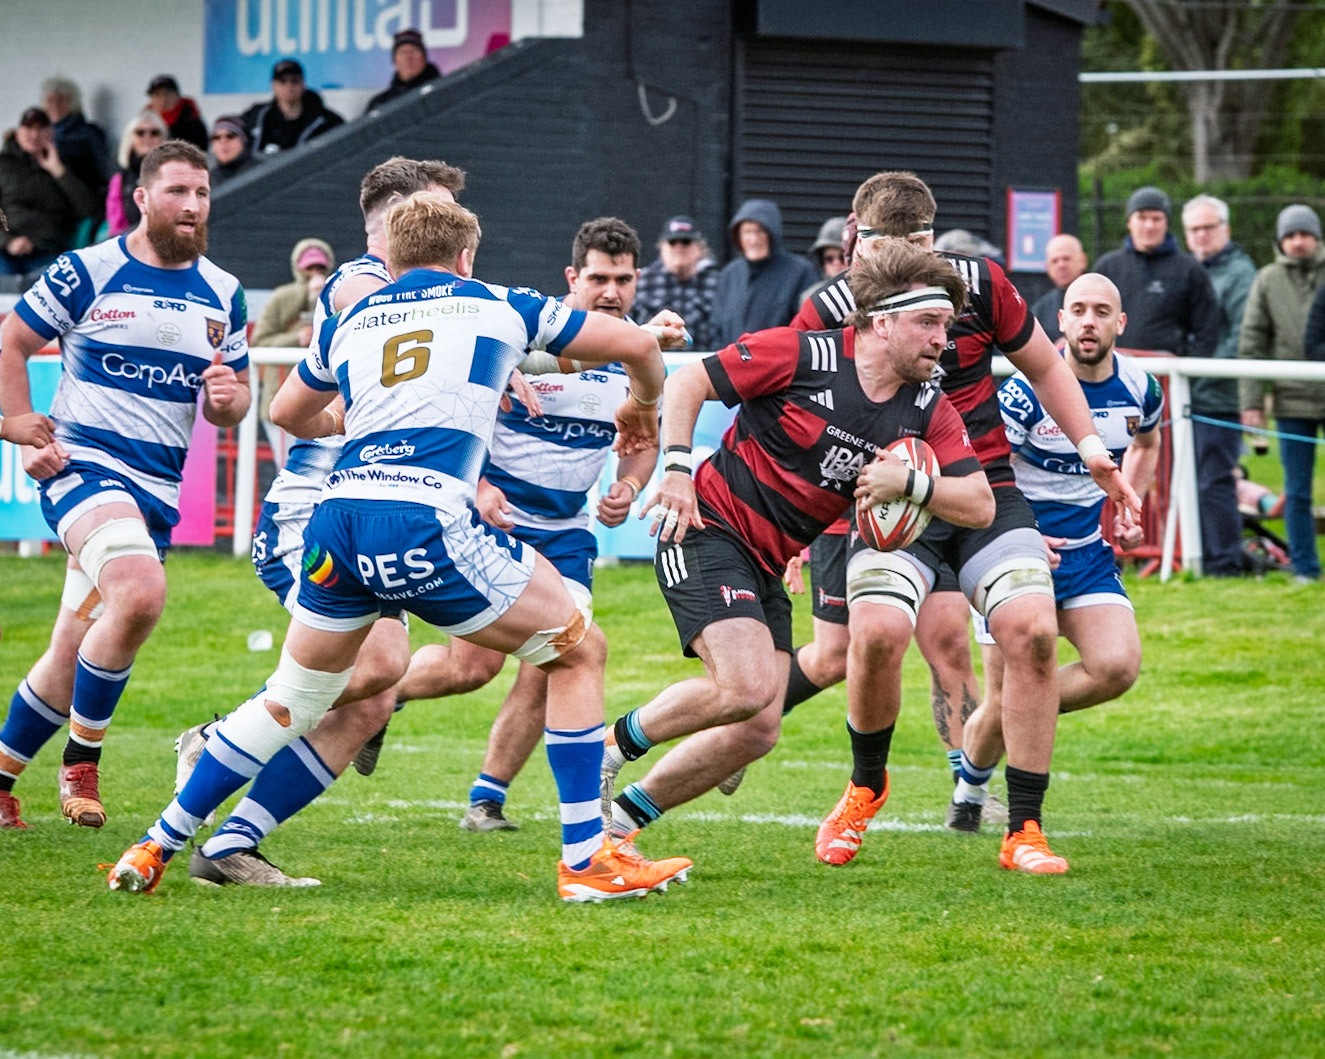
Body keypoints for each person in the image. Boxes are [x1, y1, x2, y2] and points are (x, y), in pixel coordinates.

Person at [112, 193, 688, 905]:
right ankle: (586, 859)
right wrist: (641, 405)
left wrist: (345, 419)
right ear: (465, 257)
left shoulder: (353, 316)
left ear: (392, 258)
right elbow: (637, 347)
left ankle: (157, 842)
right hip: (424, 517)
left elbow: (286, 411)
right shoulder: (497, 302)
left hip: (339, 519)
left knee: (295, 695)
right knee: (578, 650)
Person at [658, 171, 1141, 871]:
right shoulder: (830, 305)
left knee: (1030, 632)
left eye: (906, 245)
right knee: (870, 638)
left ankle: (1024, 826)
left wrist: (1093, 449)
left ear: (927, 242)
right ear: (858, 239)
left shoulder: (979, 284)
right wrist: (793, 531)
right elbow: (788, 414)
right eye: (875, 246)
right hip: (884, 498)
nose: (880, 258)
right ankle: (864, 786)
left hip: (978, 486)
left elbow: (1044, 365)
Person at [597, 239, 998, 859]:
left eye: (946, 325)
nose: (942, 339)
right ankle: (604, 749)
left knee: (757, 731)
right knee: (744, 688)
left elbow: (980, 504)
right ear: (881, 321)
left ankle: (619, 825)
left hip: (767, 560)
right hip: (708, 527)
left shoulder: (927, 407)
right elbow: (689, 383)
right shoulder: (803, 353)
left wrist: (910, 483)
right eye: (928, 322)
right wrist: (675, 470)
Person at [171, 158, 463, 886]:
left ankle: (230, 847)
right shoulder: (360, 282)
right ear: (396, 218)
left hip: (374, 515)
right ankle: (215, 739)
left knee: (374, 696)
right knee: (380, 668)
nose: (454, 230)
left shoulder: (436, 299)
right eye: (438, 212)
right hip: (309, 515)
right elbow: (378, 309)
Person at [395, 216, 684, 833]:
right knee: (469, 670)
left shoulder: (637, 356)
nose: (611, 292)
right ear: (572, 277)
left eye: (623, 280)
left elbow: (642, 441)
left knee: (558, 656)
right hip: (493, 523)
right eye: (599, 278)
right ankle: (384, 695)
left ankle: (487, 799)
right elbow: (452, 410)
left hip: (566, 533)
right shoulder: (524, 334)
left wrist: (629, 485)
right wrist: (478, 486)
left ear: (637, 281)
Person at [0, 141, 249, 831]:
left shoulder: (223, 291)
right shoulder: (87, 270)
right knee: (139, 595)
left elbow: (234, 399)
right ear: (140, 197)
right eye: (177, 191)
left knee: (72, 646)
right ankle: (81, 762)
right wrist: (19, 426)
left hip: (156, 491)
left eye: (201, 193)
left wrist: (228, 398)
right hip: (83, 468)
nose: (192, 205)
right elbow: (11, 341)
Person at [949, 272, 1163, 832]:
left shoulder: (1141, 388)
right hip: (1015, 555)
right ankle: (970, 791)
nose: (1089, 321)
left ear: (1120, 323)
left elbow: (1148, 442)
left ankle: (1026, 709)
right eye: (1078, 310)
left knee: (1117, 667)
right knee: (1001, 698)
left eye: (1101, 311)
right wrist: (1017, 532)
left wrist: (1130, 501)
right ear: (1060, 321)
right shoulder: (1024, 394)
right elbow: (984, 469)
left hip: (1087, 555)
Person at [1239, 204, 1325, 582]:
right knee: (1297, 490)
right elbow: (1252, 341)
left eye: (1304, 234)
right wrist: (1252, 401)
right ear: (1280, 241)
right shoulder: (1267, 279)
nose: (1298, 241)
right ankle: (1304, 568)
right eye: (1290, 235)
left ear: (1316, 237)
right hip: (1291, 401)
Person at [1182, 194, 1257, 576]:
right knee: (1188, 482)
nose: (1201, 235)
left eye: (1208, 228)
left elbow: (1243, 338)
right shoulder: (1186, 271)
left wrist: (1194, 371)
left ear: (1225, 229)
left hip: (1219, 396)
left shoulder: (1241, 273)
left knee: (1214, 481)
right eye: (1194, 229)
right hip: (1185, 394)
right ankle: (1193, 556)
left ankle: (1225, 562)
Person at [1094, 186, 1218, 359]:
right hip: (1113, 368)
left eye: (1156, 218)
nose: (1149, 225)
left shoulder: (1190, 269)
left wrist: (1186, 366)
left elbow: (1207, 330)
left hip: (1170, 372)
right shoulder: (1107, 267)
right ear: (1129, 222)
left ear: (1167, 223)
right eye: (1142, 217)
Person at [0, 107, 96, 276]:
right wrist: (8, 241)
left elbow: (88, 209)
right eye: (29, 128)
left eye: (41, 129)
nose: (34, 135)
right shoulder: (3, 164)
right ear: (18, 132)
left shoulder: (65, 163)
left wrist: (58, 171)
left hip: (47, 251)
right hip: (6, 250)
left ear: (51, 133)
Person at [711, 198, 818, 345]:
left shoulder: (800, 271)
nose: (754, 240)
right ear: (738, 236)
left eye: (760, 231)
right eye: (747, 232)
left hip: (780, 358)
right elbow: (716, 327)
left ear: (773, 234)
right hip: (732, 358)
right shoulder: (730, 274)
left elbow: (808, 327)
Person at [633, 215, 719, 350]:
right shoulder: (643, 280)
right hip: (653, 358)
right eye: (672, 242)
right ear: (662, 247)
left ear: (700, 247)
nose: (679, 247)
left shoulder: (717, 282)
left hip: (705, 359)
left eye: (686, 242)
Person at [242, 59, 344, 156]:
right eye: (283, 81)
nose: (289, 86)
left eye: (294, 81)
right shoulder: (257, 116)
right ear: (273, 85)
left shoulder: (326, 121)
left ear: (303, 84)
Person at [41, 76, 110, 217]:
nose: (55, 105)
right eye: (50, 100)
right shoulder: (40, 134)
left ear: (72, 103)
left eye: (61, 100)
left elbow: (105, 168)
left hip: (79, 200)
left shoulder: (88, 133)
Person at [104, 110, 166, 237]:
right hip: (130, 239)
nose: (147, 137)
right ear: (131, 139)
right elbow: (116, 224)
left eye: (154, 133)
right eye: (140, 133)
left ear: (163, 139)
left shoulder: (174, 173)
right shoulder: (120, 179)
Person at [364, 28, 442, 113]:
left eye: (414, 51)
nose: (408, 58)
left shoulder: (442, 92)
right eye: (403, 52)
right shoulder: (379, 105)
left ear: (424, 57)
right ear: (395, 61)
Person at [1031, 234, 1088, 345]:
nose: (1061, 265)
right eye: (1055, 261)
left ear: (1083, 261)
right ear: (1048, 267)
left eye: (1066, 259)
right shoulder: (1042, 308)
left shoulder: (1101, 296)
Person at [145, 75, 208, 152]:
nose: (163, 99)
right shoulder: (143, 122)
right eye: (157, 94)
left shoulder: (192, 122)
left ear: (178, 96)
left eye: (167, 94)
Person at [207, 115, 259, 187]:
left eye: (230, 136)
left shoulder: (261, 170)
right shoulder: (207, 181)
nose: (223, 141)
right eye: (216, 137)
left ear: (244, 141)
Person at [810, 216, 848, 281]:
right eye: (829, 259)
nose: (836, 263)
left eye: (843, 258)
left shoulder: (866, 287)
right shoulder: (816, 288)